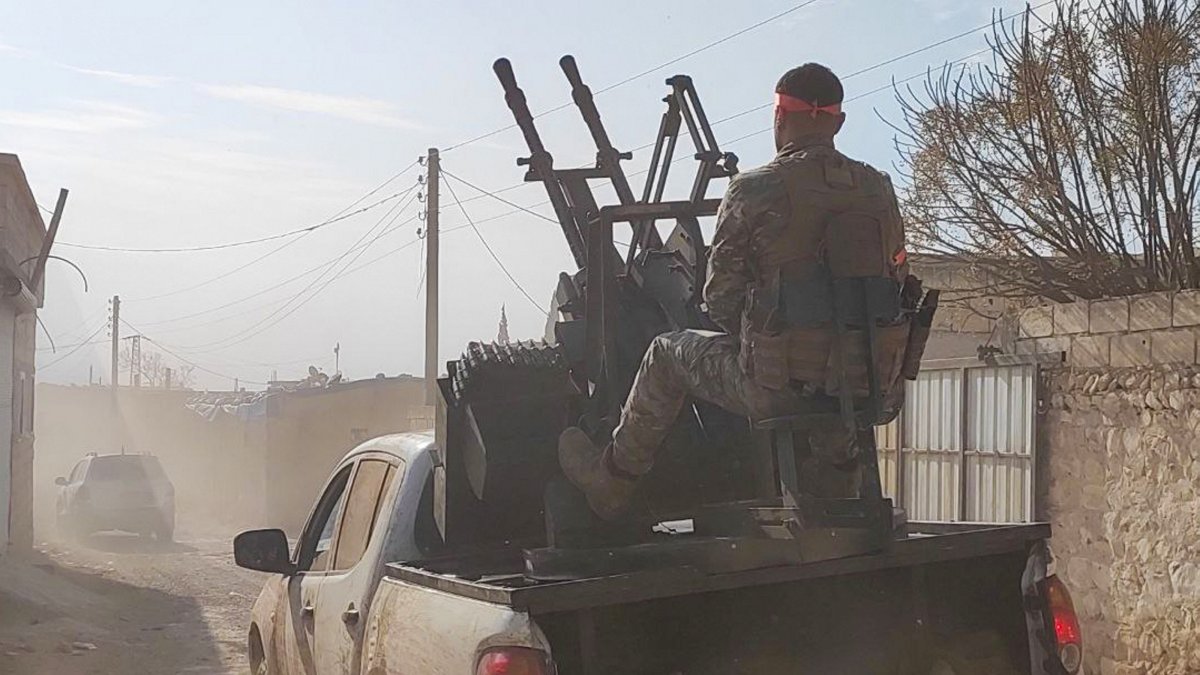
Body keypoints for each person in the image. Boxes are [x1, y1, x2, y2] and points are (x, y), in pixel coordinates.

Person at [558, 63, 912, 520]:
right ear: (838, 123)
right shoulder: (878, 190)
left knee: (666, 352)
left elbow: (720, 298)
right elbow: (895, 282)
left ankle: (612, 480)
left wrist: (766, 338)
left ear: (780, 118)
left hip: (776, 387)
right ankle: (840, 483)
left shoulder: (755, 189)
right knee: (836, 358)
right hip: (870, 383)